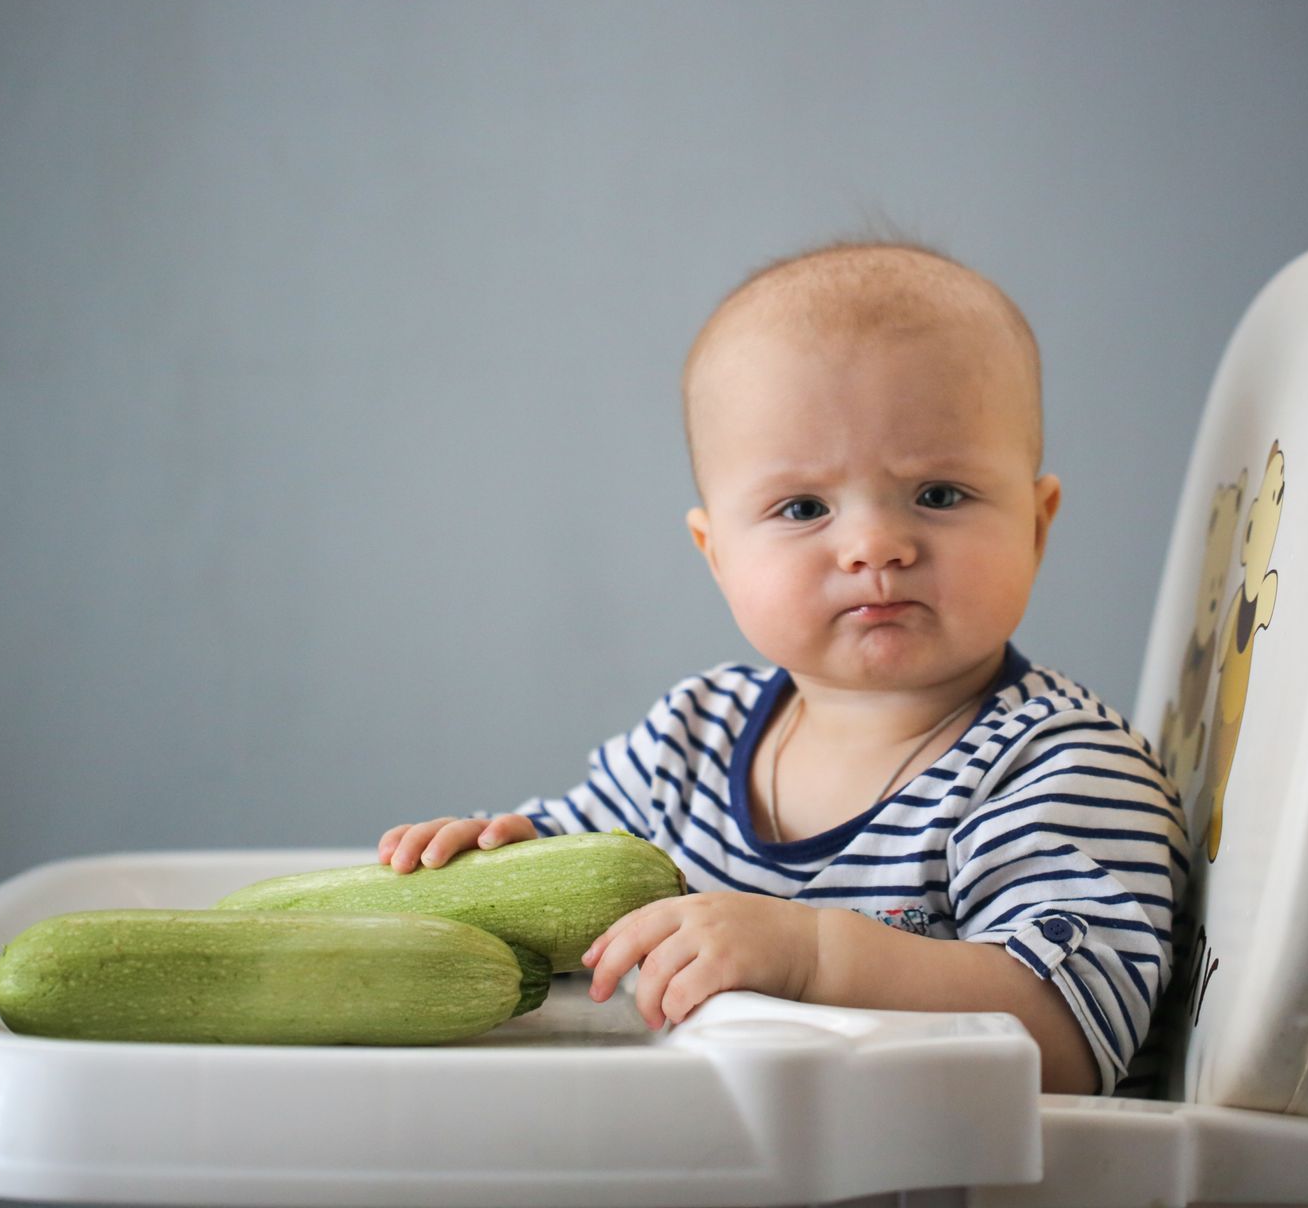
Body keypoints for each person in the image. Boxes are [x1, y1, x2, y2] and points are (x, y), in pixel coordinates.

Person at [375, 240, 1189, 1095]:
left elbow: (1066, 1037)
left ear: (1036, 521)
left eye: (939, 494)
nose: (875, 544)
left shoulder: (1062, 766)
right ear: (716, 552)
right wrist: (494, 856)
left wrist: (809, 953)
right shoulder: (691, 738)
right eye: (803, 507)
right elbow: (573, 889)